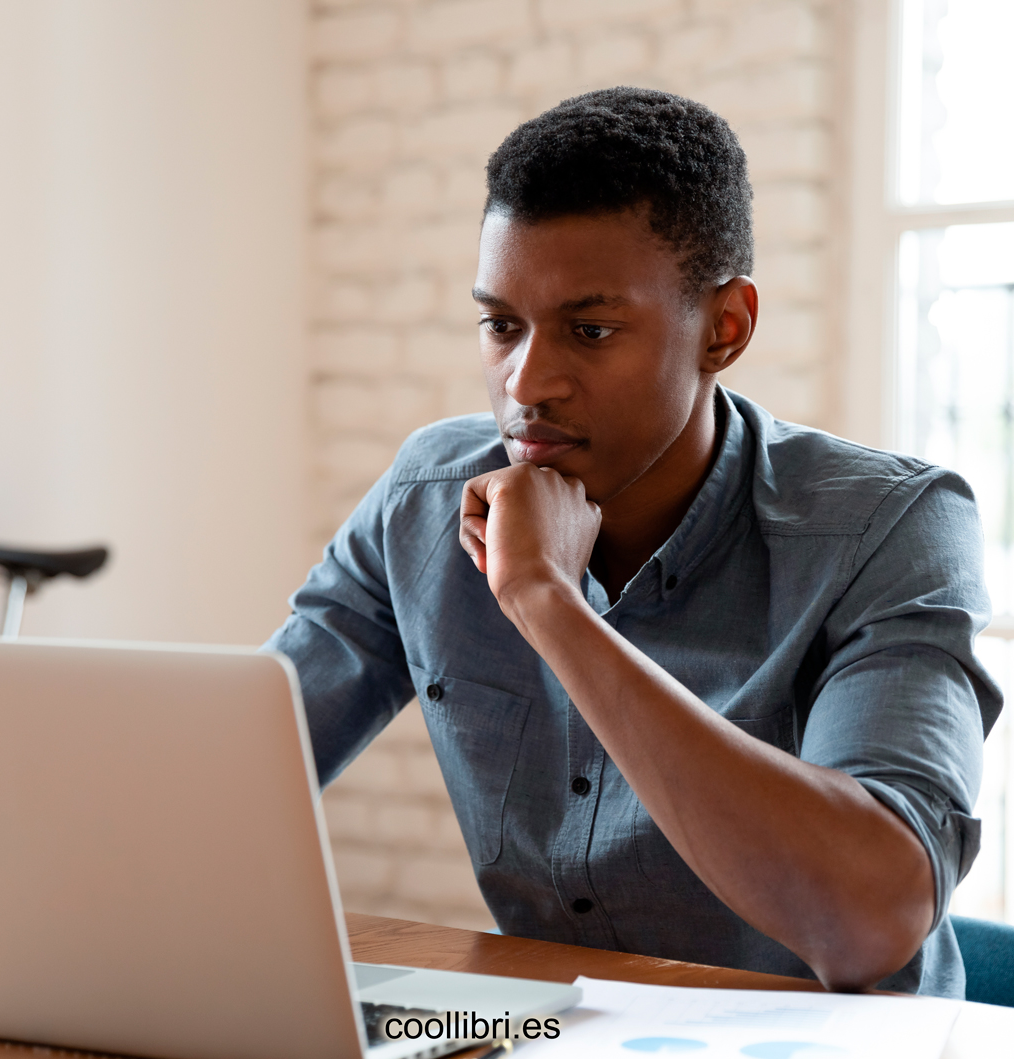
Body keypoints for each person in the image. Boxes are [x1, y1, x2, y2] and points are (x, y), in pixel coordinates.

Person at [267, 87, 1000, 997]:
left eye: (591, 330)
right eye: (501, 325)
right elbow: (233, 770)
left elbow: (866, 922)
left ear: (723, 329)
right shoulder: (425, 498)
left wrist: (551, 607)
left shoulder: (891, 527)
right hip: (550, 1045)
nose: (526, 383)